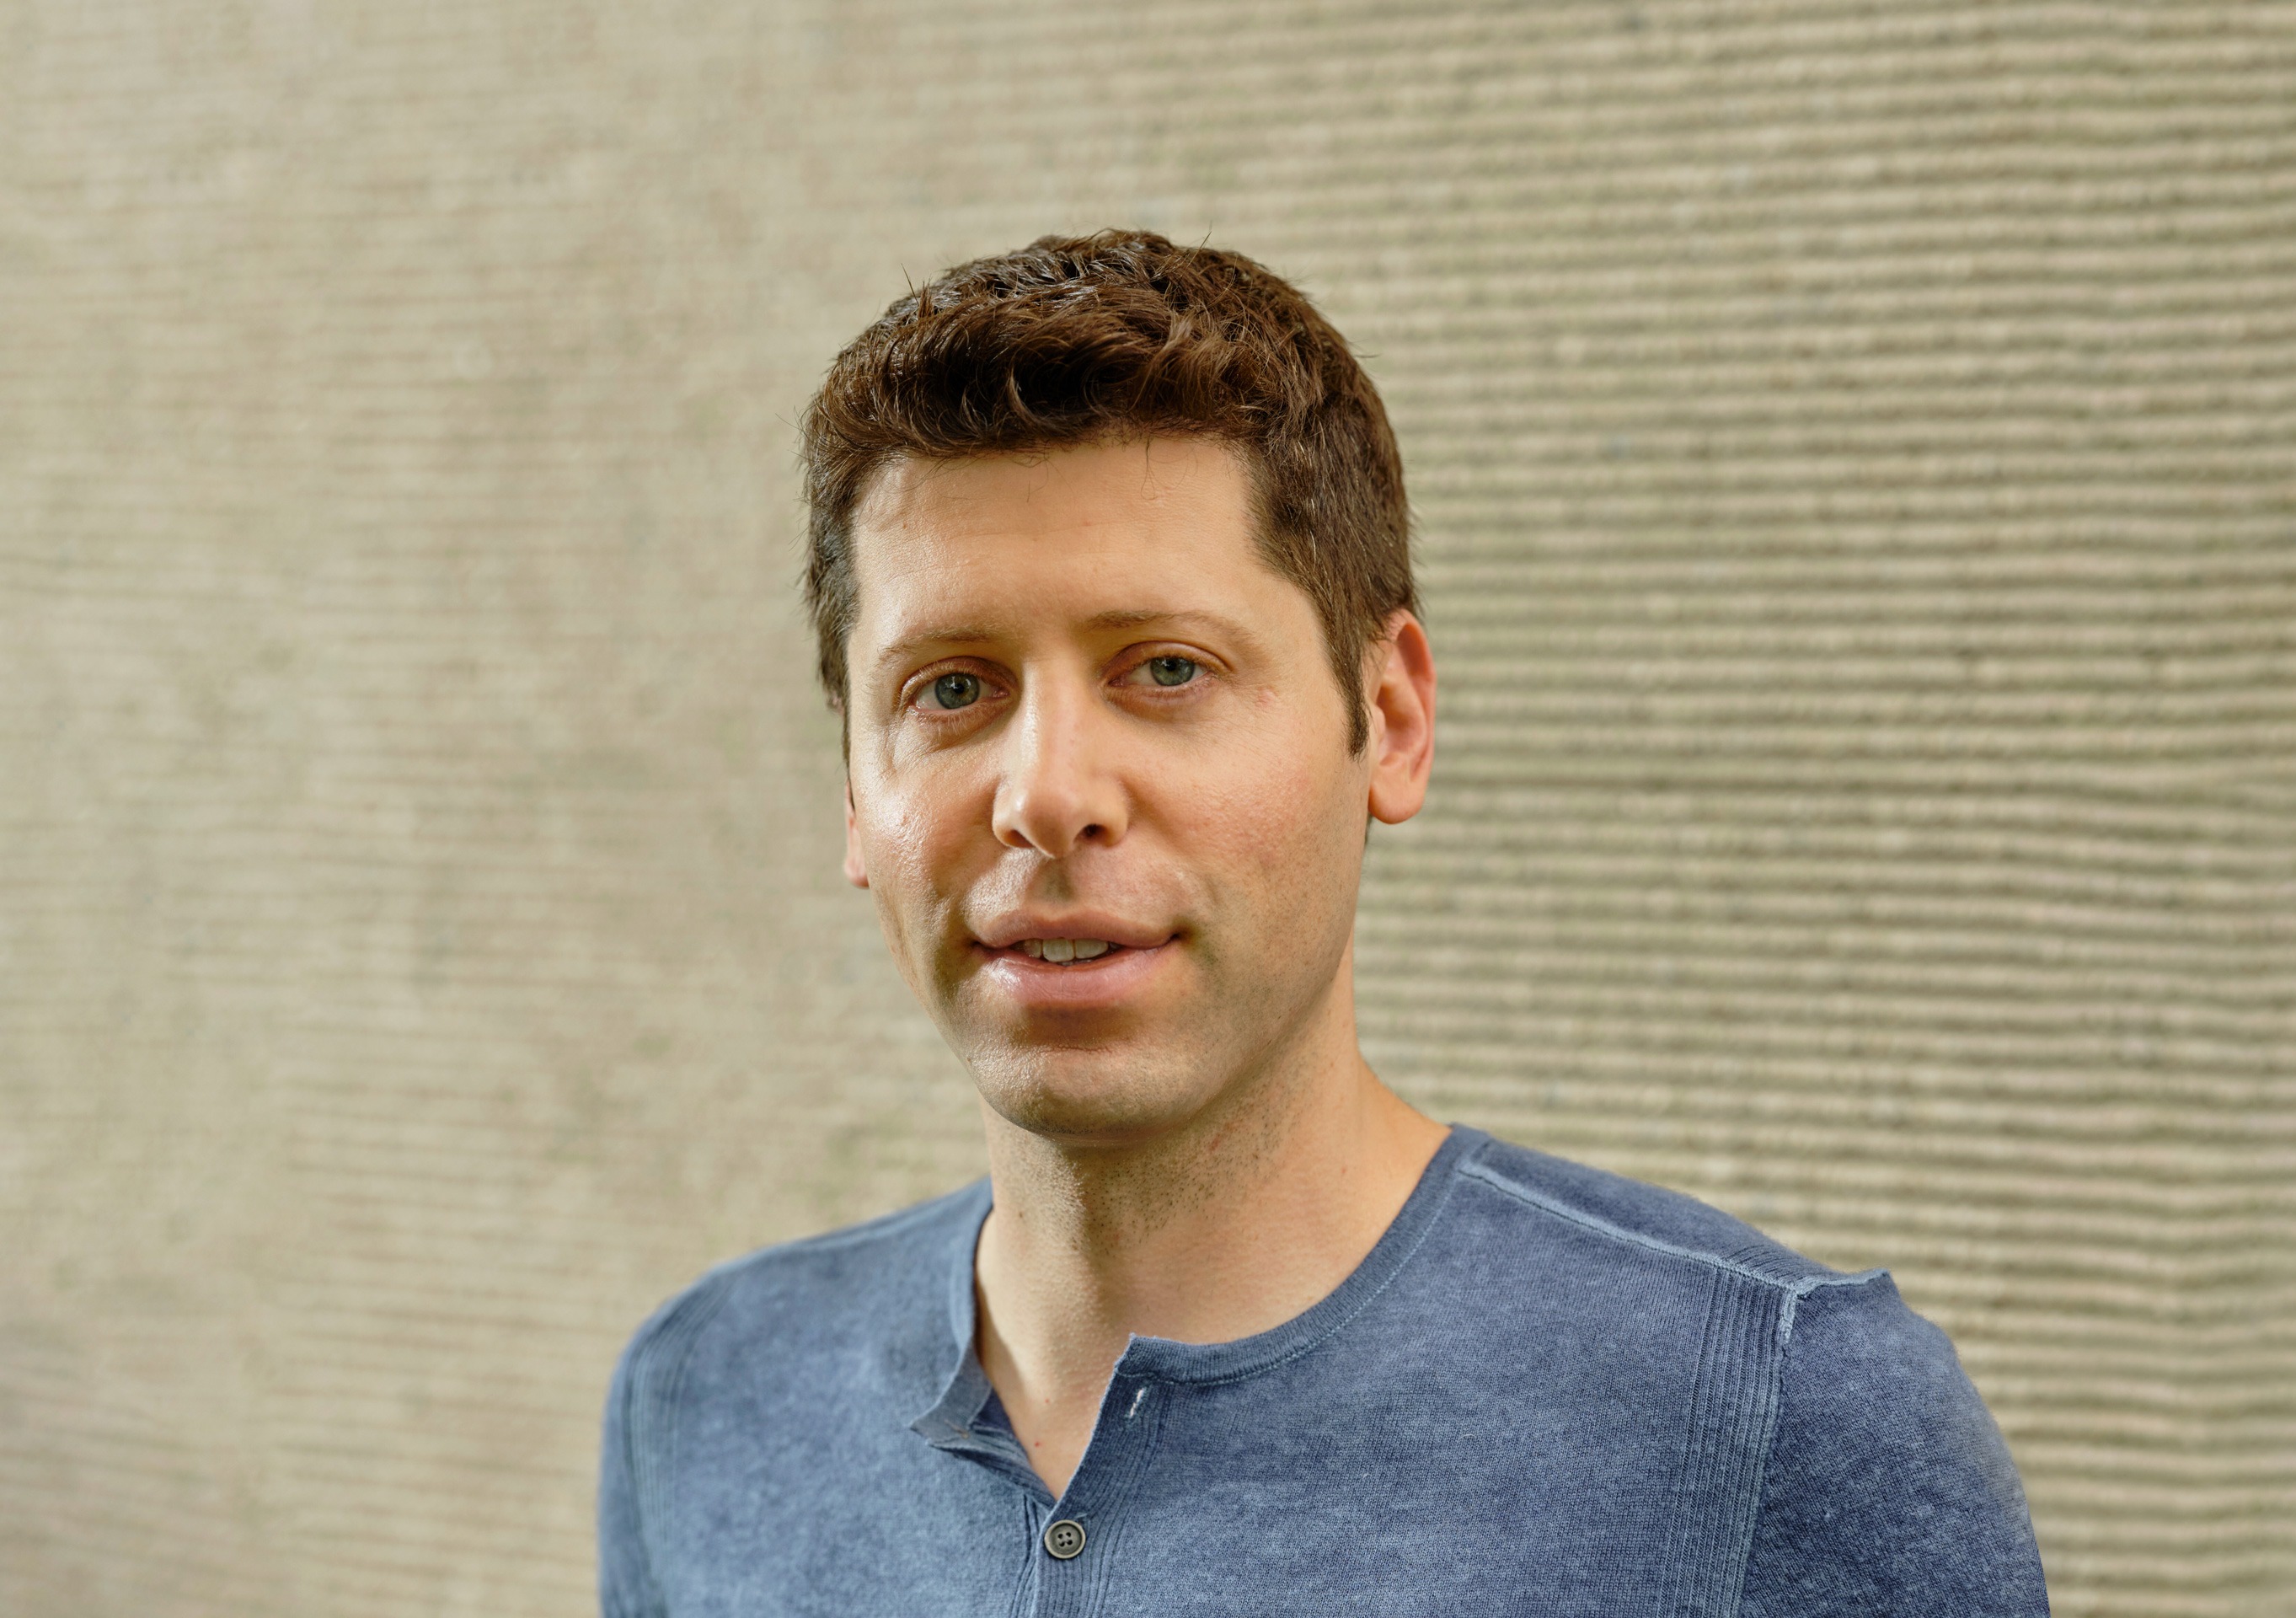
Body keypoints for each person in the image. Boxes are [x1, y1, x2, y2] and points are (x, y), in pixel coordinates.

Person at [597, 230, 2049, 1617]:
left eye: (1167, 668)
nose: (1047, 796)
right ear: (855, 794)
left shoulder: (1784, 1423)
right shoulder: (706, 1404)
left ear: (1391, 723)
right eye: (952, 689)